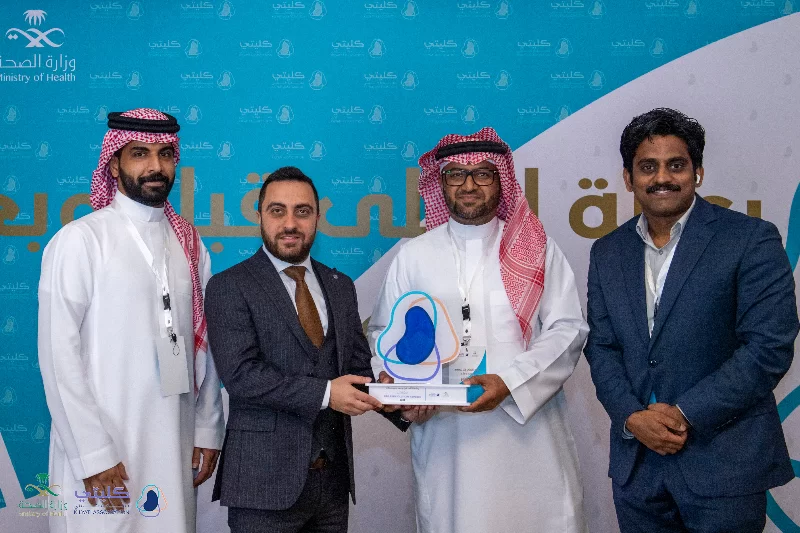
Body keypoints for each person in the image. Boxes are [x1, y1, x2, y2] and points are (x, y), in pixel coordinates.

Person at [584, 108, 798, 532]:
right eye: (648, 167)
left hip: (724, 462)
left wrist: (684, 412)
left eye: (676, 165)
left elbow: (768, 347)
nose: (662, 178)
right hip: (637, 468)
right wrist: (632, 416)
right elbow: (602, 348)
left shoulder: (750, 239)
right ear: (628, 178)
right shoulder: (607, 251)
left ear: (697, 172)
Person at [369, 128, 589, 533]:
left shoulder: (535, 248)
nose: (469, 185)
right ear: (441, 183)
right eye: (456, 174)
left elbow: (568, 329)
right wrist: (402, 391)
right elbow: (384, 332)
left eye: (483, 173)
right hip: (446, 438)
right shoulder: (413, 256)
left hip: (529, 436)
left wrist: (510, 382)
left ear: (501, 179)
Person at [38, 108, 224, 533]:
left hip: (174, 442)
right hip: (104, 451)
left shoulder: (189, 244)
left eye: (165, 154)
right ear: (114, 164)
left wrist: (207, 427)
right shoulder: (81, 240)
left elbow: (207, 346)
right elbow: (57, 355)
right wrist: (92, 454)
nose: (155, 166)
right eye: (140, 153)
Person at [204, 167, 409, 533]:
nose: (290, 223)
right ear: (259, 215)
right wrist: (327, 393)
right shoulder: (229, 286)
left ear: (317, 217)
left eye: (302, 211)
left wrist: (399, 402)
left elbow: (359, 370)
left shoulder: (340, 285)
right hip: (262, 487)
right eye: (277, 210)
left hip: (332, 487)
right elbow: (241, 376)